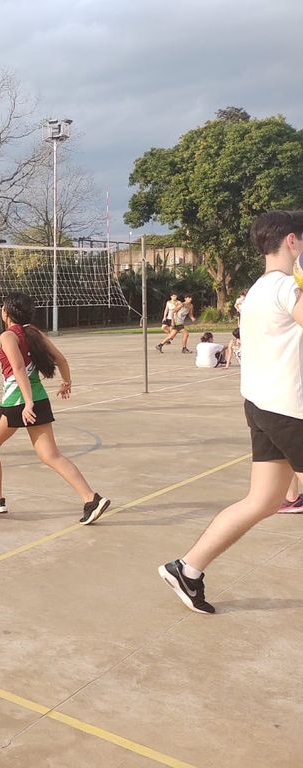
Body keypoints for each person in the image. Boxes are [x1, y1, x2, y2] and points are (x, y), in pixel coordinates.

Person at [159, 211, 303, 613]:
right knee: (264, 500)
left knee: (263, 500)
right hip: (288, 410)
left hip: (261, 406)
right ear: (291, 241)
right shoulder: (284, 287)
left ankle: (187, 569)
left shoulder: (256, 290)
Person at [0, 292, 110, 524]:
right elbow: (61, 360)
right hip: (40, 399)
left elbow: (18, 368)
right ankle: (91, 498)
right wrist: (66, 382)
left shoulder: (8, 335)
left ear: (6, 312)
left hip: (16, 402)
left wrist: (28, 402)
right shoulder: (34, 333)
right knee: (51, 455)